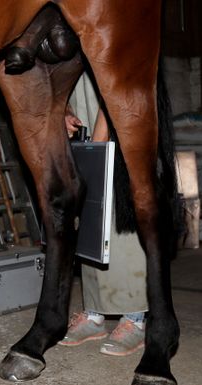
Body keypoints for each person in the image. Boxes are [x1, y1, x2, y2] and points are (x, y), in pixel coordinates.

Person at [59, 74, 148, 356]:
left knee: (120, 207)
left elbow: (121, 78)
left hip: (122, 105)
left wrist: (99, 142)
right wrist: (65, 109)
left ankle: (135, 317)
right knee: (90, 215)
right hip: (84, 103)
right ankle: (96, 312)